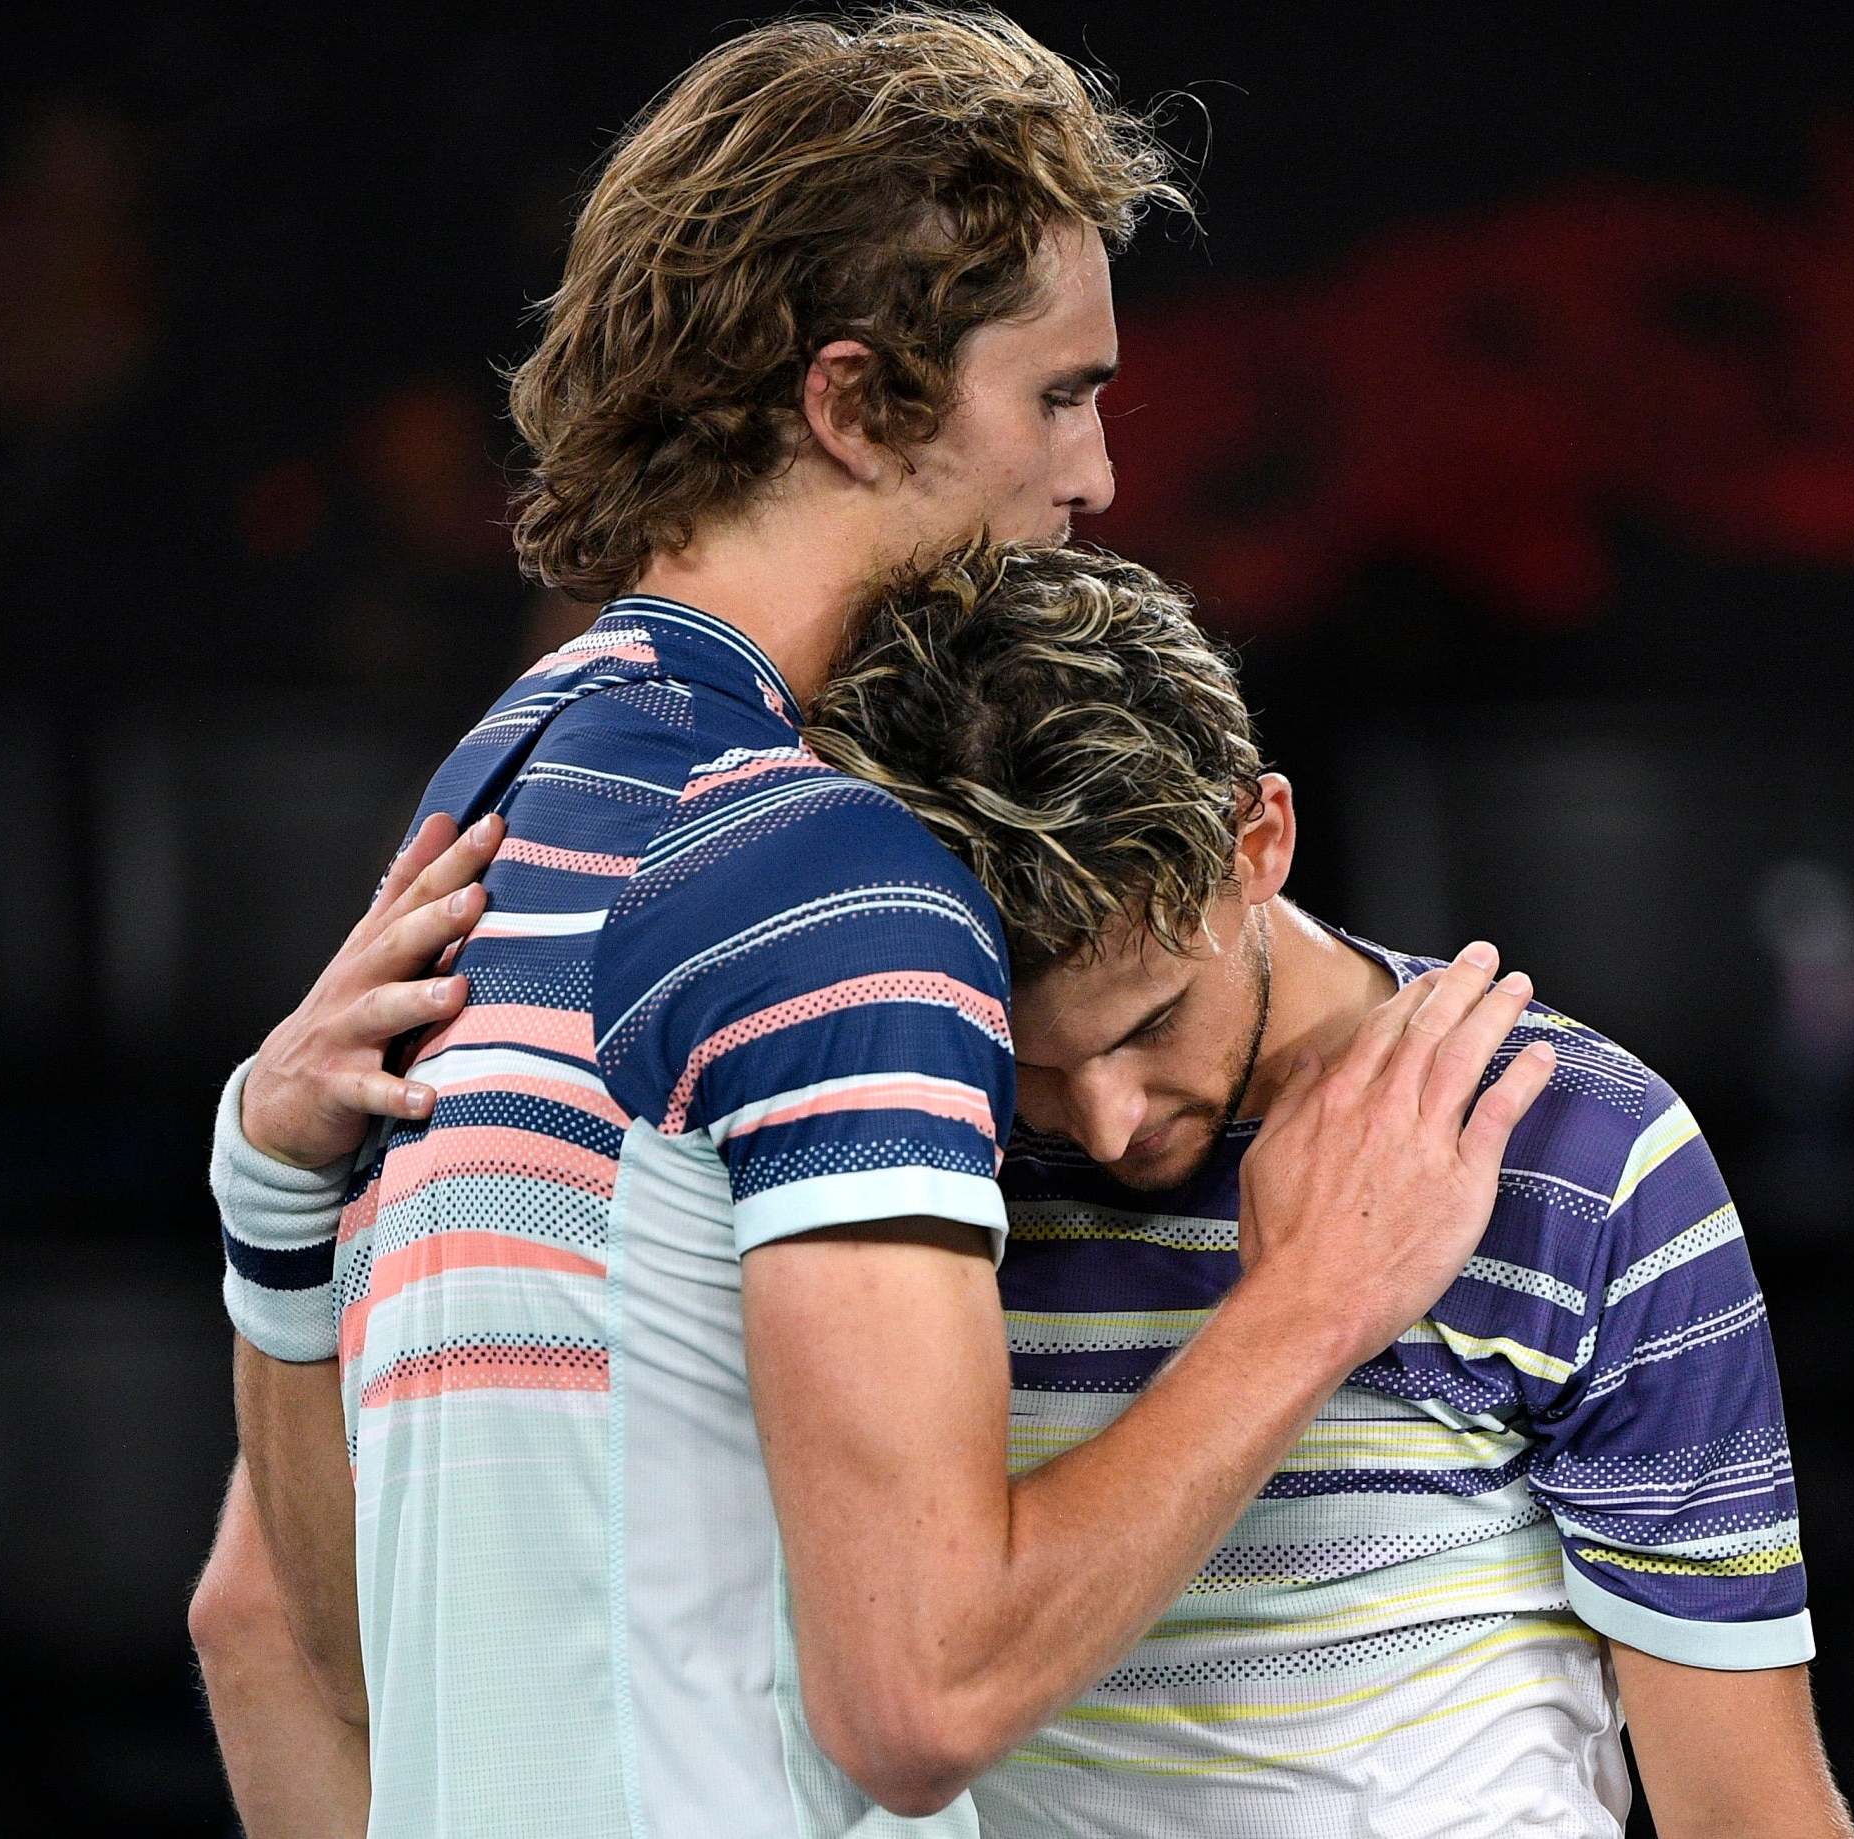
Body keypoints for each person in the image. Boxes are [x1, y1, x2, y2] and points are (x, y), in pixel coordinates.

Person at [189, 11, 1558, 1838]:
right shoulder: (829, 879)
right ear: (852, 402)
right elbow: (925, 1691)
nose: (1100, 481)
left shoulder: (490, 807)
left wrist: (268, 1204)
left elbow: (276, 1624)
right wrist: (1308, 1300)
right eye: (1056, 393)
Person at [227, 542, 1854, 1835]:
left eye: (1153, 1019)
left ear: (1260, 836)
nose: (1107, 1114)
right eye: (1031, 1056)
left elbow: (1744, 1803)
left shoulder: (1578, 1156)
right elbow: (299, 1632)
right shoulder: (869, 1140)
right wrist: (276, 1200)